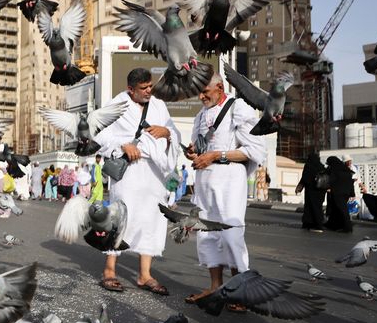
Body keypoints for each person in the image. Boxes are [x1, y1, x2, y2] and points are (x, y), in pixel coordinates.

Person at [94, 68, 181, 296]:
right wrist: (123, 145)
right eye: (143, 88)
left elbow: (173, 132)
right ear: (130, 90)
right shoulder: (116, 105)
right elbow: (98, 134)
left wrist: (168, 133)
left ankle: (145, 275)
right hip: (129, 171)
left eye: (150, 86)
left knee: (152, 219)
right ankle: (109, 271)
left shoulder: (159, 105)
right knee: (121, 218)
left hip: (155, 173)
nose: (149, 91)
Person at [183, 74, 266, 307]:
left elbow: (253, 151)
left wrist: (215, 155)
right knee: (207, 234)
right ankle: (215, 287)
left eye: (205, 92)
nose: (201, 97)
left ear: (219, 87)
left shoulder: (238, 108)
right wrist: (194, 153)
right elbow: (200, 148)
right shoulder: (200, 114)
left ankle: (241, 291)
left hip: (229, 180)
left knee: (231, 234)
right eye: (198, 92)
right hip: (205, 181)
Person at [295, 151, 326, 233]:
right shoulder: (321, 166)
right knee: (317, 207)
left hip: (311, 191)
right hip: (320, 192)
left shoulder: (308, 166)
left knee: (310, 207)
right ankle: (315, 223)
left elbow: (305, 178)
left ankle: (315, 225)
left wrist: (299, 187)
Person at [324, 155, 354, 233]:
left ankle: (348, 227)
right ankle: (333, 225)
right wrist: (352, 193)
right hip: (346, 193)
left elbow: (331, 180)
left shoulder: (335, 170)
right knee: (335, 209)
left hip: (338, 193)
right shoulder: (346, 170)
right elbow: (351, 183)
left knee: (343, 210)